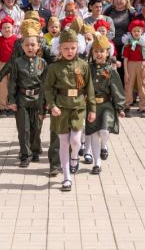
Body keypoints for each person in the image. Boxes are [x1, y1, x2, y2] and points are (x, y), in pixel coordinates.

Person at [44, 28, 96, 191]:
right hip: (60, 107)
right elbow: (48, 89)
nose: (69, 51)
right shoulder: (54, 67)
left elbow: (89, 88)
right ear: (59, 48)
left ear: (78, 47)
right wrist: (52, 105)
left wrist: (92, 109)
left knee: (75, 140)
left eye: (73, 48)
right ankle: (66, 177)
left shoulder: (84, 65)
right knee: (64, 142)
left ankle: (75, 158)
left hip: (78, 107)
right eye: (65, 48)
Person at [7, 20, 47, 167]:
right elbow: (13, 82)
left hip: (37, 99)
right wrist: (11, 100)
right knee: (23, 129)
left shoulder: (43, 63)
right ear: (22, 47)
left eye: (33, 45)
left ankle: (35, 150)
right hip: (22, 98)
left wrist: (46, 103)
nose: (30, 47)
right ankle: (25, 155)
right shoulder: (17, 62)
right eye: (27, 45)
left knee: (36, 127)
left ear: (38, 46)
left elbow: (45, 85)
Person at [86, 34, 125, 173]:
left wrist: (120, 107)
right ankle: (97, 164)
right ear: (92, 52)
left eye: (102, 51)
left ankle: (105, 145)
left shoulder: (110, 70)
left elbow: (117, 89)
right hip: (91, 106)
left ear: (107, 52)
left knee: (104, 131)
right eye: (96, 51)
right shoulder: (87, 68)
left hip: (106, 105)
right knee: (94, 134)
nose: (99, 54)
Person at [122, 19, 145, 117]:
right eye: (134, 31)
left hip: (142, 65)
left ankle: (143, 107)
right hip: (130, 65)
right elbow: (125, 59)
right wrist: (126, 72)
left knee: (142, 86)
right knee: (128, 86)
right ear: (131, 32)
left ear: (142, 32)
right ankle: (127, 106)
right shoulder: (128, 45)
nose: (136, 33)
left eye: (138, 31)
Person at [0, 17, 18, 116]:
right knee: (2, 87)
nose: (7, 29)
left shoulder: (17, 40)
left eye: (8, 27)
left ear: (12, 28)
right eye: (4, 28)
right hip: (2, 65)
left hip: (13, 65)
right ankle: (2, 107)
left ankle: (11, 106)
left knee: (12, 87)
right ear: (1, 29)